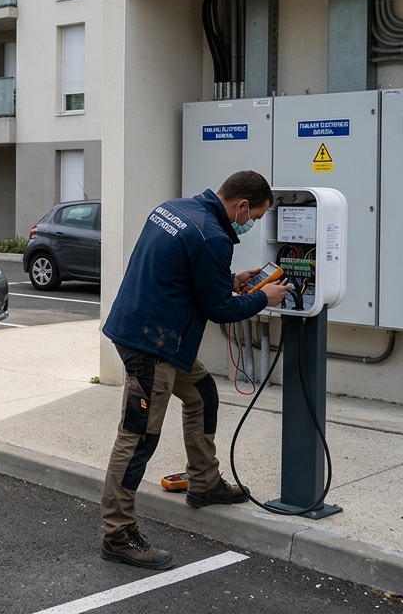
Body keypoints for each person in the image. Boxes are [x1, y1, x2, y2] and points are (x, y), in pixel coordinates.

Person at [98, 170, 292, 569]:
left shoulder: (174, 209)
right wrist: (264, 297)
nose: (250, 222)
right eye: (254, 214)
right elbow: (219, 309)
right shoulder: (214, 237)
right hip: (151, 344)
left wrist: (231, 279)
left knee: (202, 395)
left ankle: (204, 483)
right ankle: (117, 535)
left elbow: (183, 275)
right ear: (241, 205)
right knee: (137, 438)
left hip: (152, 331)